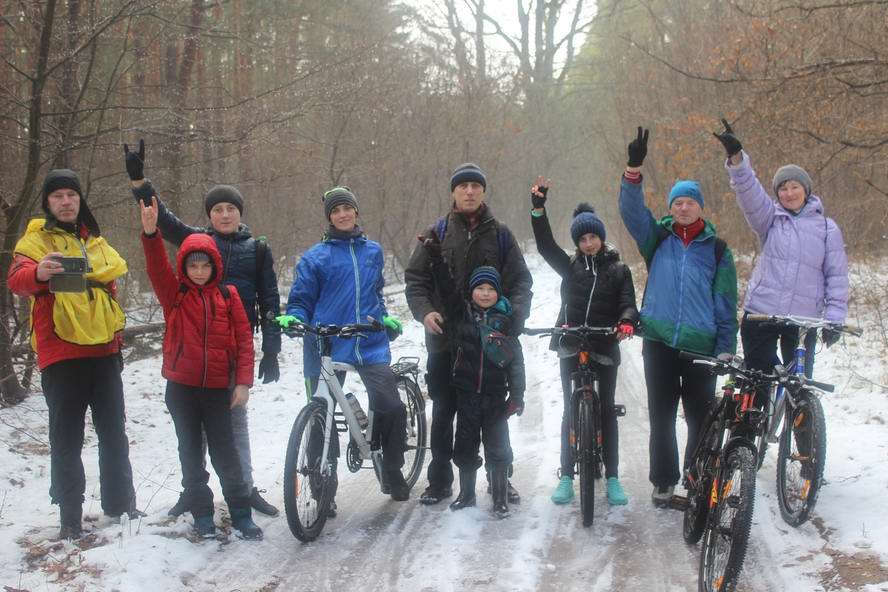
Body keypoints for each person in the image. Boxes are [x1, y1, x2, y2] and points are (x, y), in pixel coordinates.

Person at [124, 140, 280, 517]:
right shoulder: (199, 243)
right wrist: (141, 182)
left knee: (234, 426)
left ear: (239, 213)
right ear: (209, 215)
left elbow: (271, 299)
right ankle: (193, 493)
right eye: (217, 209)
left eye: (230, 209)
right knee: (193, 433)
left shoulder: (257, 249)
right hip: (195, 350)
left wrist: (271, 348)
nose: (224, 215)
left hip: (231, 350)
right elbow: (163, 221)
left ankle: (244, 489)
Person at [8, 169, 140, 539]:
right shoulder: (35, 241)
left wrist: (115, 339)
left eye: (72, 195)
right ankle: (70, 517)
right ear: (48, 203)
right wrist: (39, 272)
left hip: (103, 351)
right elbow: (17, 280)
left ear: (80, 200)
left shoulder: (95, 240)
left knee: (114, 433)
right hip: (61, 354)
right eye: (58, 196)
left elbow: (110, 286)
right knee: (66, 438)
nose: (66, 202)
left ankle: (121, 505)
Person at [618, 127, 738, 507]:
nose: (683, 207)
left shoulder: (718, 250)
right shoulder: (658, 240)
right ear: (670, 208)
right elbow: (632, 212)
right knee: (663, 417)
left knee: (700, 419)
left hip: (701, 347)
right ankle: (664, 481)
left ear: (701, 207)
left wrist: (724, 348)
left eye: (689, 202)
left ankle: (696, 475)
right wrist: (633, 170)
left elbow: (725, 303)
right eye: (677, 203)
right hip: (659, 342)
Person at [405, 163, 533, 506]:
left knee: (493, 417)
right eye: (463, 186)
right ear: (453, 193)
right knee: (445, 413)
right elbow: (416, 279)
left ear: (483, 191)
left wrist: (513, 319)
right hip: (445, 340)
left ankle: (499, 480)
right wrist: (425, 311)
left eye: (476, 185)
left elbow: (521, 282)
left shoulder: (501, 234)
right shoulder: (438, 231)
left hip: (490, 344)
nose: (469, 191)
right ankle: (440, 482)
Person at [139, 197, 262, 540]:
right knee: (191, 456)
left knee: (227, 456)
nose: (198, 271)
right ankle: (203, 515)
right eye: (192, 265)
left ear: (214, 266)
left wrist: (243, 384)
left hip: (218, 390)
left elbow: (243, 342)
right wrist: (150, 233)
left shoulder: (228, 296)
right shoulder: (174, 295)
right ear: (184, 266)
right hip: (182, 390)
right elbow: (155, 266)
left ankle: (241, 514)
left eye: (204, 265)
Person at [277, 186, 410, 502]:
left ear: (356, 212)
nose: (342, 214)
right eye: (336, 211)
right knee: (320, 415)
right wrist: (293, 318)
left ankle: (392, 468)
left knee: (390, 406)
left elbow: (375, 292)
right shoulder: (314, 258)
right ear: (329, 218)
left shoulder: (373, 251)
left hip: (368, 339)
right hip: (325, 343)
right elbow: (301, 300)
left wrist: (385, 317)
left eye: (347, 208)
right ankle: (324, 488)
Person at [713, 119, 849, 394]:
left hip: (802, 322)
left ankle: (803, 436)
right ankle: (747, 434)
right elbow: (748, 192)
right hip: (762, 314)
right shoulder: (770, 219)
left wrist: (834, 318)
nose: (788, 193)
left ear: (806, 189)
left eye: (794, 187)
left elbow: (836, 277)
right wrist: (737, 159)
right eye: (783, 188)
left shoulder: (826, 228)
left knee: (799, 391)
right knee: (759, 386)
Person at [529, 178, 638, 507]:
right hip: (571, 341)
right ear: (577, 243)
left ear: (601, 238)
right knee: (569, 408)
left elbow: (628, 303)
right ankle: (566, 476)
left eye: (593, 237)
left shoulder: (619, 270)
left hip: (604, 343)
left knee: (605, 409)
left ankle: (614, 477)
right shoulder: (570, 267)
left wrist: (627, 322)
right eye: (583, 239)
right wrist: (538, 210)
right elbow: (546, 246)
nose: (589, 243)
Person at [421, 239, 524, 518]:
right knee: (465, 446)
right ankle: (466, 495)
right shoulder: (461, 316)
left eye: (491, 289)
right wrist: (436, 257)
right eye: (480, 288)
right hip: (466, 394)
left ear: (498, 293)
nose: (486, 293)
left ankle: (500, 498)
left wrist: (517, 396)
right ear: (472, 292)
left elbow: (516, 363)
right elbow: (447, 288)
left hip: (494, 397)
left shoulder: (505, 322)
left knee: (498, 447)